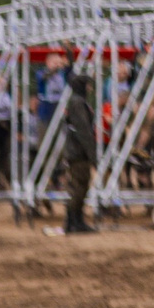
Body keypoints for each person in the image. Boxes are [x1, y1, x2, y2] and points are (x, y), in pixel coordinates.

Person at [60, 48, 97, 234]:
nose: (90, 88)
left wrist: (69, 56)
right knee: (80, 187)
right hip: (78, 152)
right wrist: (93, 155)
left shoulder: (76, 101)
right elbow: (84, 132)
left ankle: (75, 221)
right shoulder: (78, 103)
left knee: (80, 187)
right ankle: (74, 221)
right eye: (87, 85)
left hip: (75, 151)